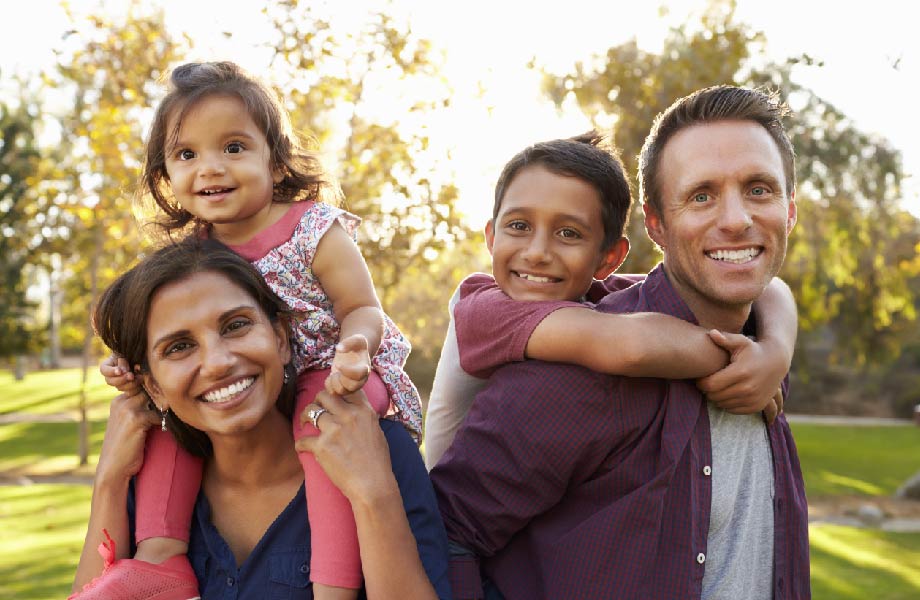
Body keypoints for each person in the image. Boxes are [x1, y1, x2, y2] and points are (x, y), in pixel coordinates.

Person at [430, 85, 810, 599]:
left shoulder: (763, 345)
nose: (736, 219)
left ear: (790, 210)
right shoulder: (573, 365)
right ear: (657, 223)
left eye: (759, 190)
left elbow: (775, 292)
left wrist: (774, 351)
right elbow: (446, 532)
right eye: (701, 195)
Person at [80, 61, 424, 600]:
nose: (211, 168)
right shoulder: (192, 254)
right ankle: (160, 560)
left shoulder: (313, 228)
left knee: (322, 432)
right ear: (166, 174)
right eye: (187, 155)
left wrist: (354, 352)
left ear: (274, 156)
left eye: (233, 148)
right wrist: (122, 366)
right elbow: (127, 316)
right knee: (169, 431)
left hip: (331, 371)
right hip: (264, 386)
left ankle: (331, 583)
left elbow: (361, 305)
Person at [71, 238, 451, 599]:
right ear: (154, 388)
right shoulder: (147, 486)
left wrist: (373, 495)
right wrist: (110, 479)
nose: (218, 362)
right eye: (180, 347)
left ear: (281, 339)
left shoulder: (375, 449)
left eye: (236, 325)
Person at [424, 132, 796, 469]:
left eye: (568, 233)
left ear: (608, 259)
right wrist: (743, 360)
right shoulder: (482, 306)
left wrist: (775, 352)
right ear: (491, 236)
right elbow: (632, 345)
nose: (536, 252)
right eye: (519, 226)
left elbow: (771, 288)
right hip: (446, 527)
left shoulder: (597, 294)